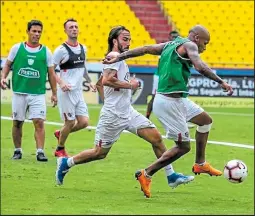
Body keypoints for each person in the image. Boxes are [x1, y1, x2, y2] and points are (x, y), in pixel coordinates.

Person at [55, 25, 194, 192]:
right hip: (113, 116)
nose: (128, 43)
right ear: (115, 41)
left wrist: (109, 98)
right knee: (99, 153)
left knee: (156, 139)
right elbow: (107, 80)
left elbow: (100, 82)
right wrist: (130, 85)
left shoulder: (117, 58)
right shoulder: (114, 56)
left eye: (129, 39)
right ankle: (66, 162)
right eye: (125, 39)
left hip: (127, 111)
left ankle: (171, 176)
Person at [102, 25, 234, 198]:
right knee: (183, 147)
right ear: (196, 38)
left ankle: (200, 163)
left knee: (205, 121)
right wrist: (221, 82)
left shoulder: (171, 44)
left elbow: (146, 49)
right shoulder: (190, 45)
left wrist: (120, 56)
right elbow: (200, 66)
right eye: (205, 42)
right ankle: (146, 173)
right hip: (169, 103)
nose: (205, 47)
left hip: (178, 99)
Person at [0, 20, 57, 162]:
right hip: (19, 92)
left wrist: (55, 93)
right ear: (28, 31)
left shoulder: (46, 51)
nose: (37, 34)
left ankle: (40, 152)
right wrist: (3, 77)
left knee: (39, 122)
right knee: (17, 122)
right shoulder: (17, 48)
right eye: (34, 31)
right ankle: (17, 150)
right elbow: (7, 64)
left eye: (39, 32)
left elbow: (51, 74)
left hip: (37, 93)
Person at [53, 18, 96, 157]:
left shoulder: (83, 48)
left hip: (78, 91)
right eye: (71, 27)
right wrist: (60, 82)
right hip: (66, 92)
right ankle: (60, 149)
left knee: (84, 122)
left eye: (76, 26)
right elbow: (50, 70)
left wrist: (89, 81)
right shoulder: (60, 50)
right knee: (70, 122)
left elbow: (82, 67)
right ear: (65, 30)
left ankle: (61, 133)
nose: (74, 29)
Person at [146, 30, 180, 119]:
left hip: (170, 76)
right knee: (155, 97)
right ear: (169, 38)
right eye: (173, 37)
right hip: (160, 76)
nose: (174, 38)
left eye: (176, 37)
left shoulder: (180, 49)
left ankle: (177, 118)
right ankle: (146, 117)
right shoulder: (164, 48)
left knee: (175, 97)